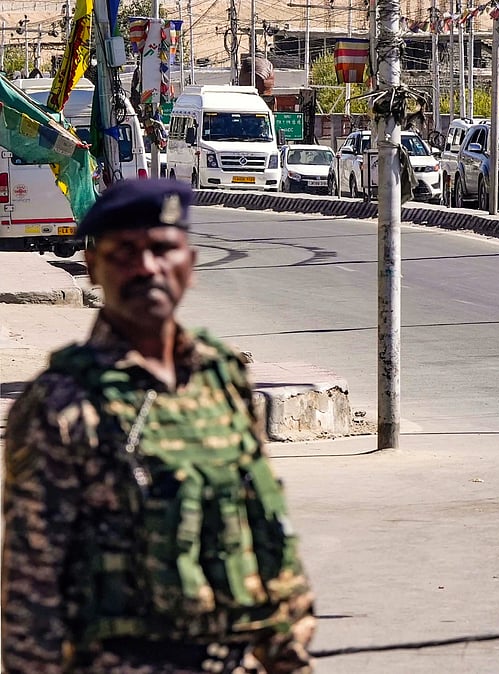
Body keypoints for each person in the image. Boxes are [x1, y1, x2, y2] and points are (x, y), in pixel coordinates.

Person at [2, 180, 316, 674]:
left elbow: (264, 524)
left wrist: (288, 654)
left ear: (189, 264)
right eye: (125, 252)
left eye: (162, 249)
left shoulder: (222, 376)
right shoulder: (61, 403)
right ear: (93, 268)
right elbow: (31, 583)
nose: (147, 267)